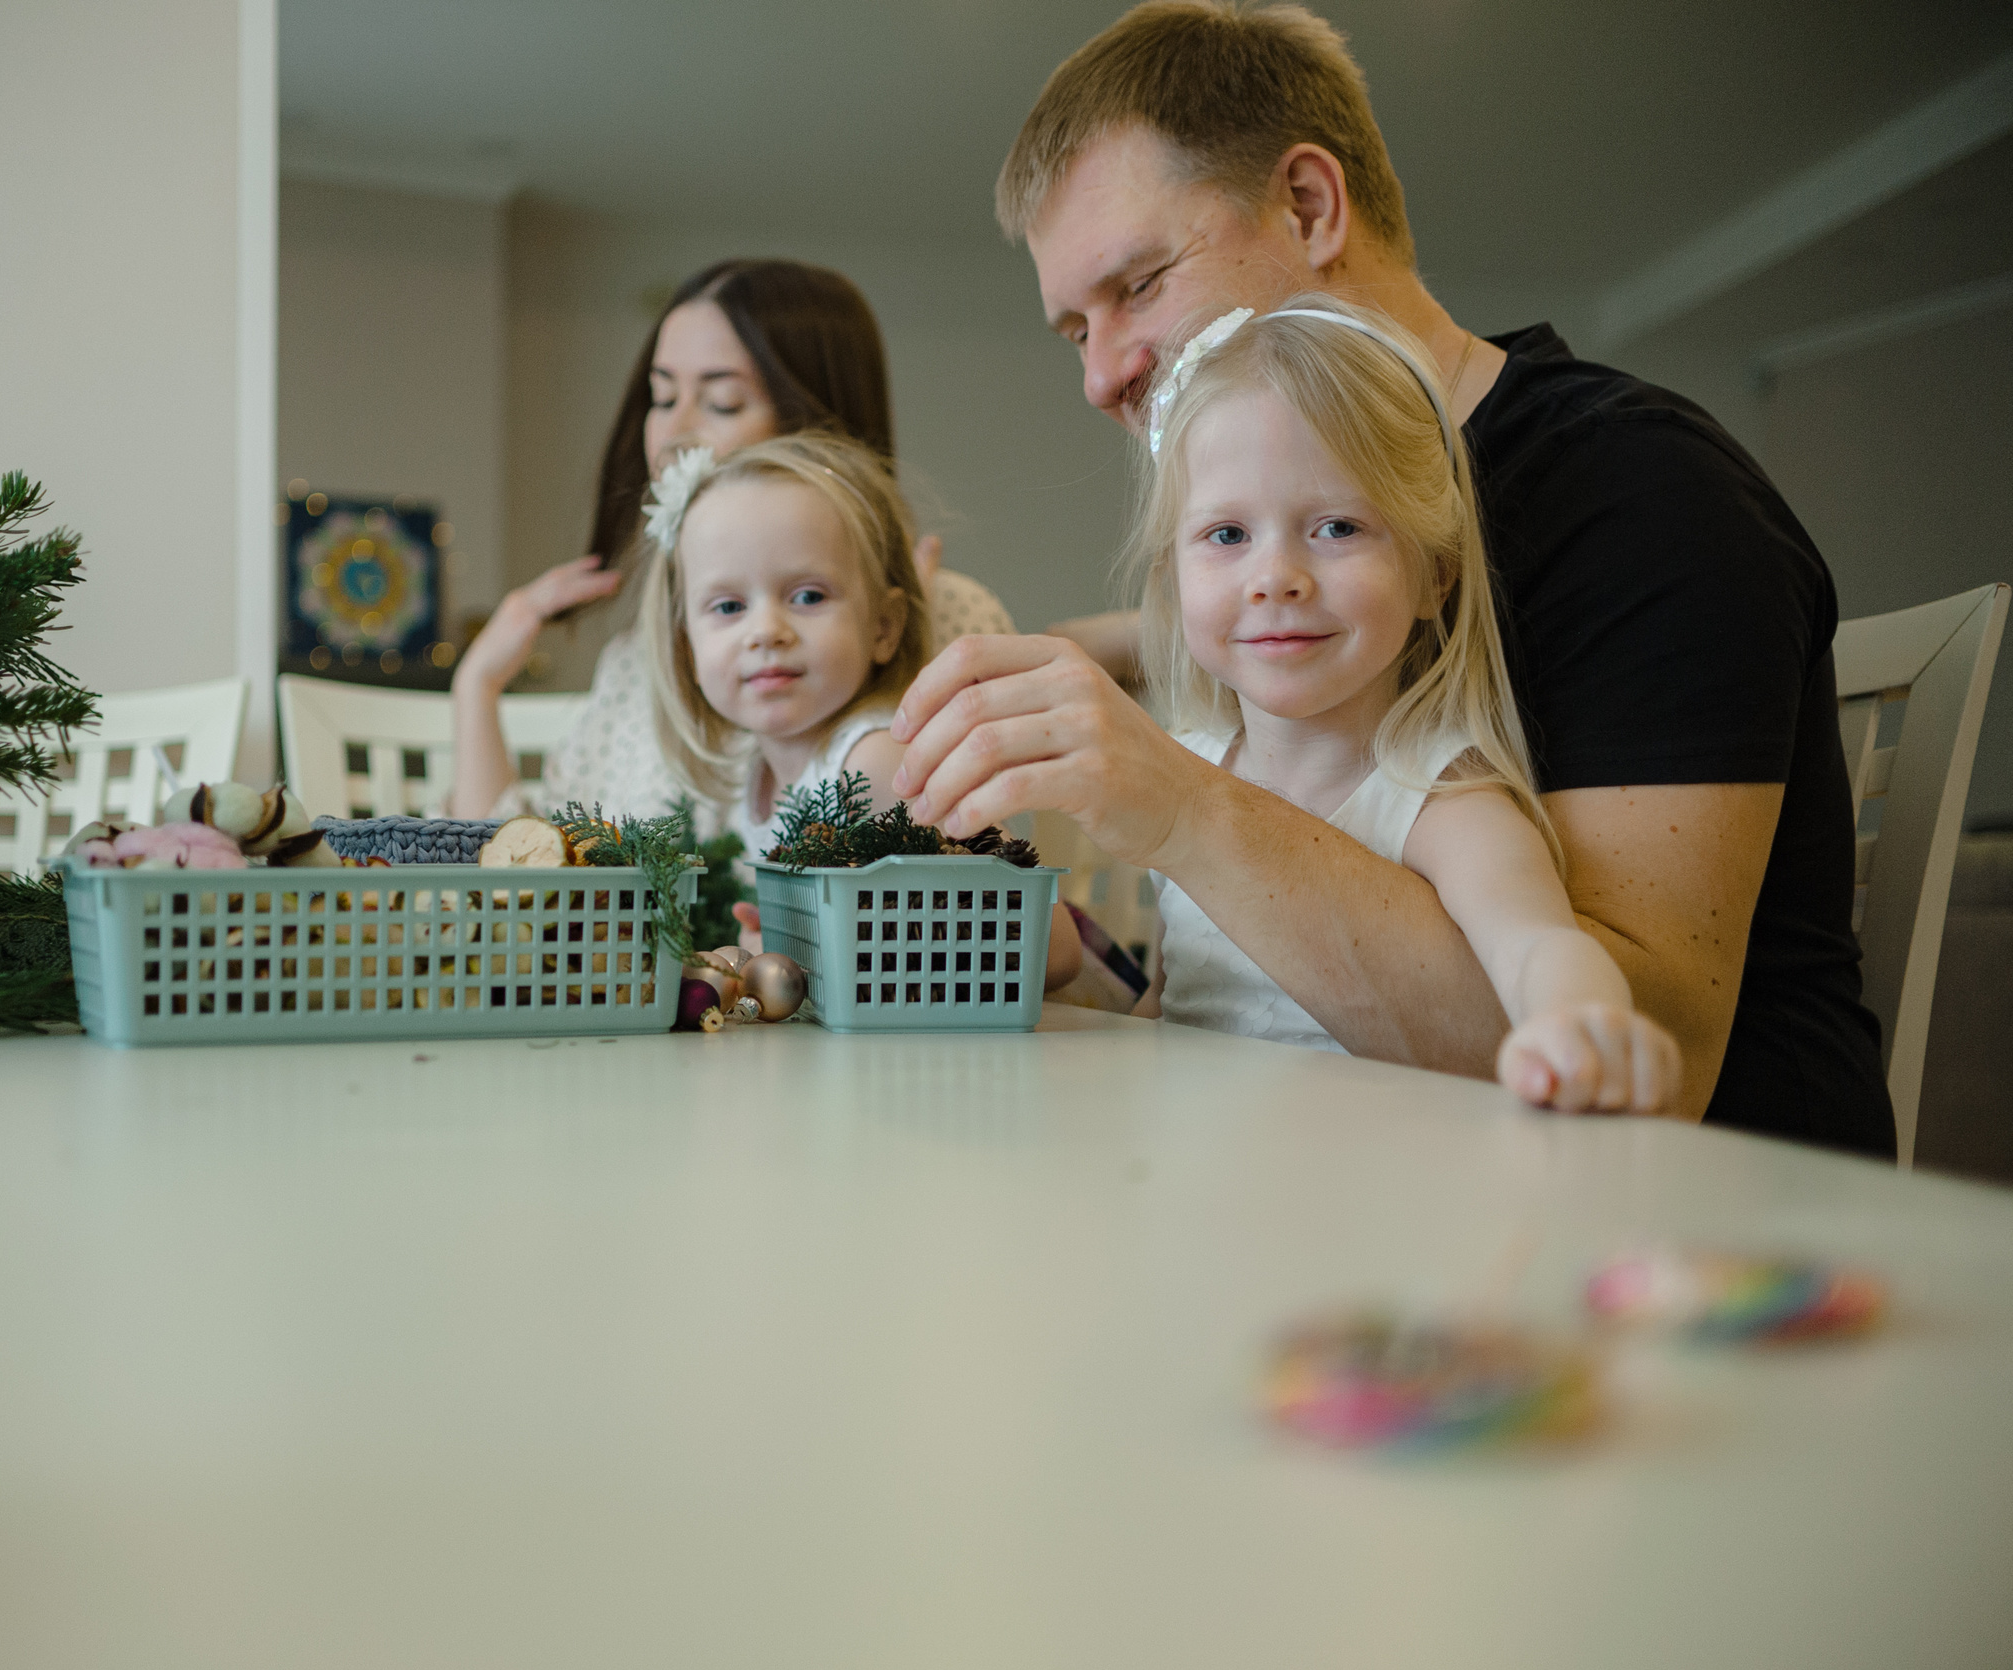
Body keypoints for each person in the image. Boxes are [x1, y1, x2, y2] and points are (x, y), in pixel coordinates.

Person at [887, 1, 1886, 1150]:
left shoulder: (1640, 491)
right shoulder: (1281, 624)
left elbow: (1653, 1059)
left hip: (1690, 1206)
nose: (1100, 376)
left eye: (1142, 283)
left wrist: (1185, 807)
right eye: (1075, 330)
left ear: (1310, 207)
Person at [1130, 296, 1679, 1111]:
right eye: (1227, 535)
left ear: (1435, 575)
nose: (1275, 576)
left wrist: (1578, 1022)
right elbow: (1173, 1004)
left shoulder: (1441, 801)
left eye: (1337, 528)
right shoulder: (1186, 768)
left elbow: (1534, 946)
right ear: (1173, 573)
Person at [447, 258, 1017, 824]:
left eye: (722, 402)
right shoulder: (638, 664)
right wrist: (477, 685)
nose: (672, 436)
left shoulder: (951, 619)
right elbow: (536, 863)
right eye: (662, 399)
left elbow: (967, 849)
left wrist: (907, 668)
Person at [636, 430, 1081, 984]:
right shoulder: (758, 774)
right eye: (729, 606)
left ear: (884, 627)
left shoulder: (875, 763)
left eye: (808, 596)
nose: (766, 630)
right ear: (686, 647)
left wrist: (825, 950)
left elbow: (1053, 948)